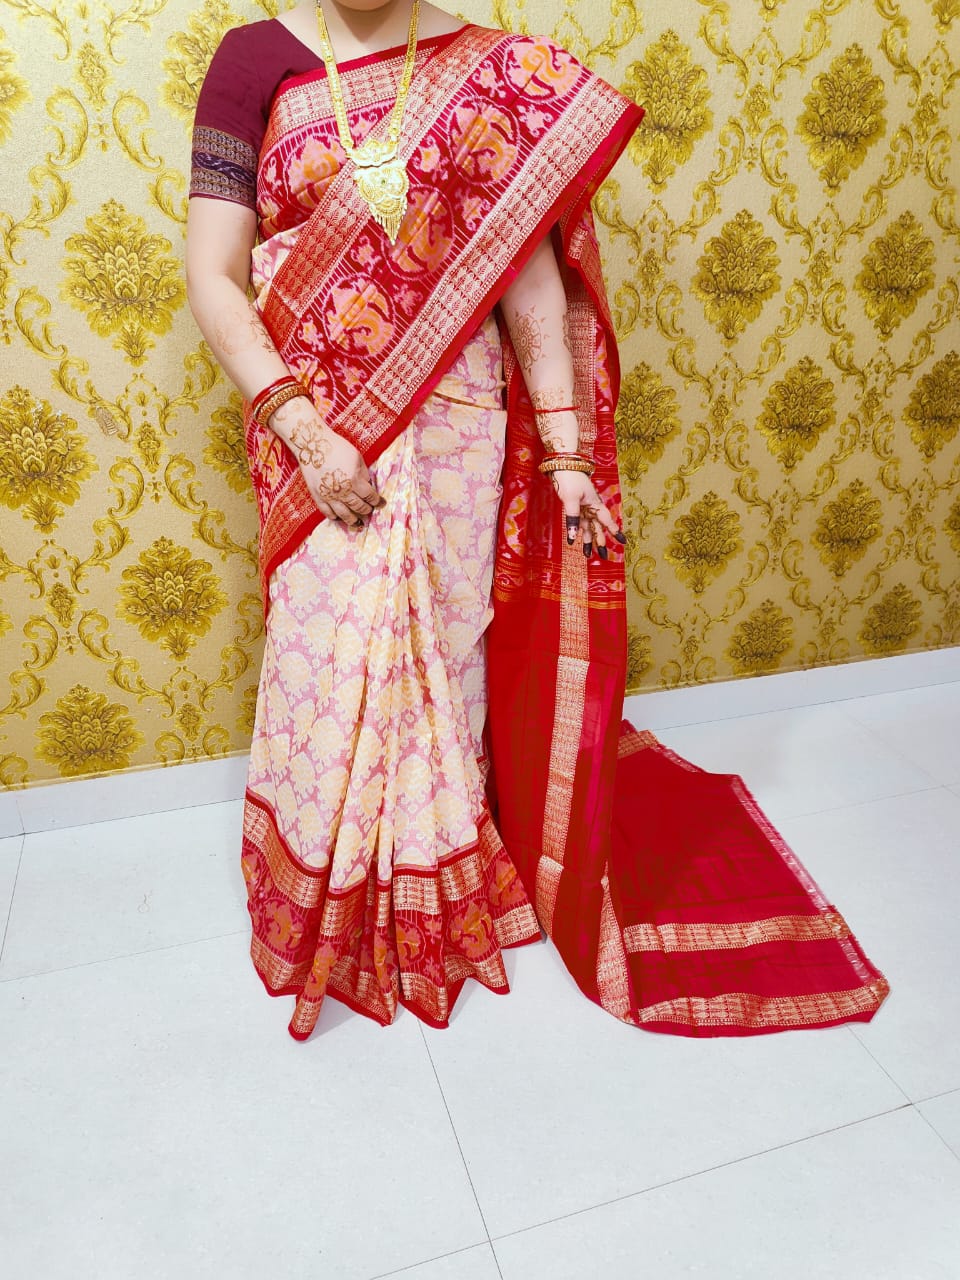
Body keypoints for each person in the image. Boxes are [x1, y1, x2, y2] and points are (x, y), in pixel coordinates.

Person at [186, 0, 889, 1040]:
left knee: (446, 657)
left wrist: (564, 454)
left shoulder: (492, 74)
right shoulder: (253, 59)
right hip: (317, 428)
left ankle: (436, 890)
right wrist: (304, 430)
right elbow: (213, 272)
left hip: (460, 424)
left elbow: (526, 274)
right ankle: (327, 899)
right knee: (324, 662)